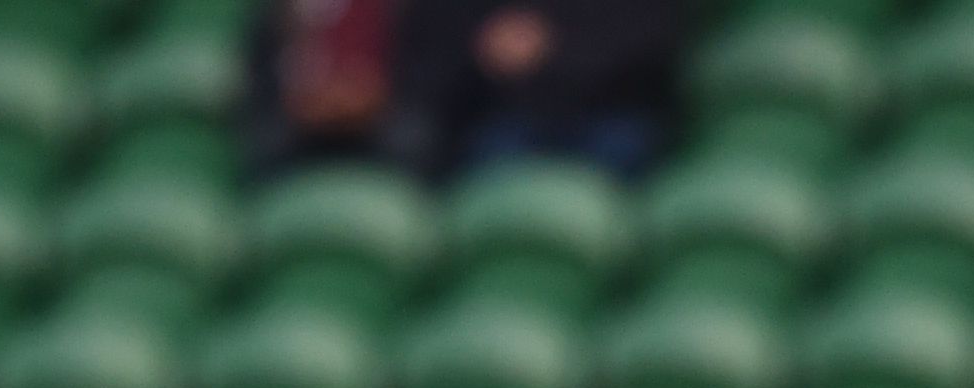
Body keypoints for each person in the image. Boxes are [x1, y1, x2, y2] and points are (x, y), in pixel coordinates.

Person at [429, 0, 686, 177]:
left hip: (614, 114)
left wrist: (551, 52)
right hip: (514, 116)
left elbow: (653, 46)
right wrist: (487, 49)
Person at [241, 0, 445, 178]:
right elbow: (264, 72)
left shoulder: (405, 8)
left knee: (414, 141)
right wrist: (303, 102)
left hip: (385, 113)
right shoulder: (283, 10)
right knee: (266, 144)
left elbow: (426, 70)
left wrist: (373, 100)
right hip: (301, 117)